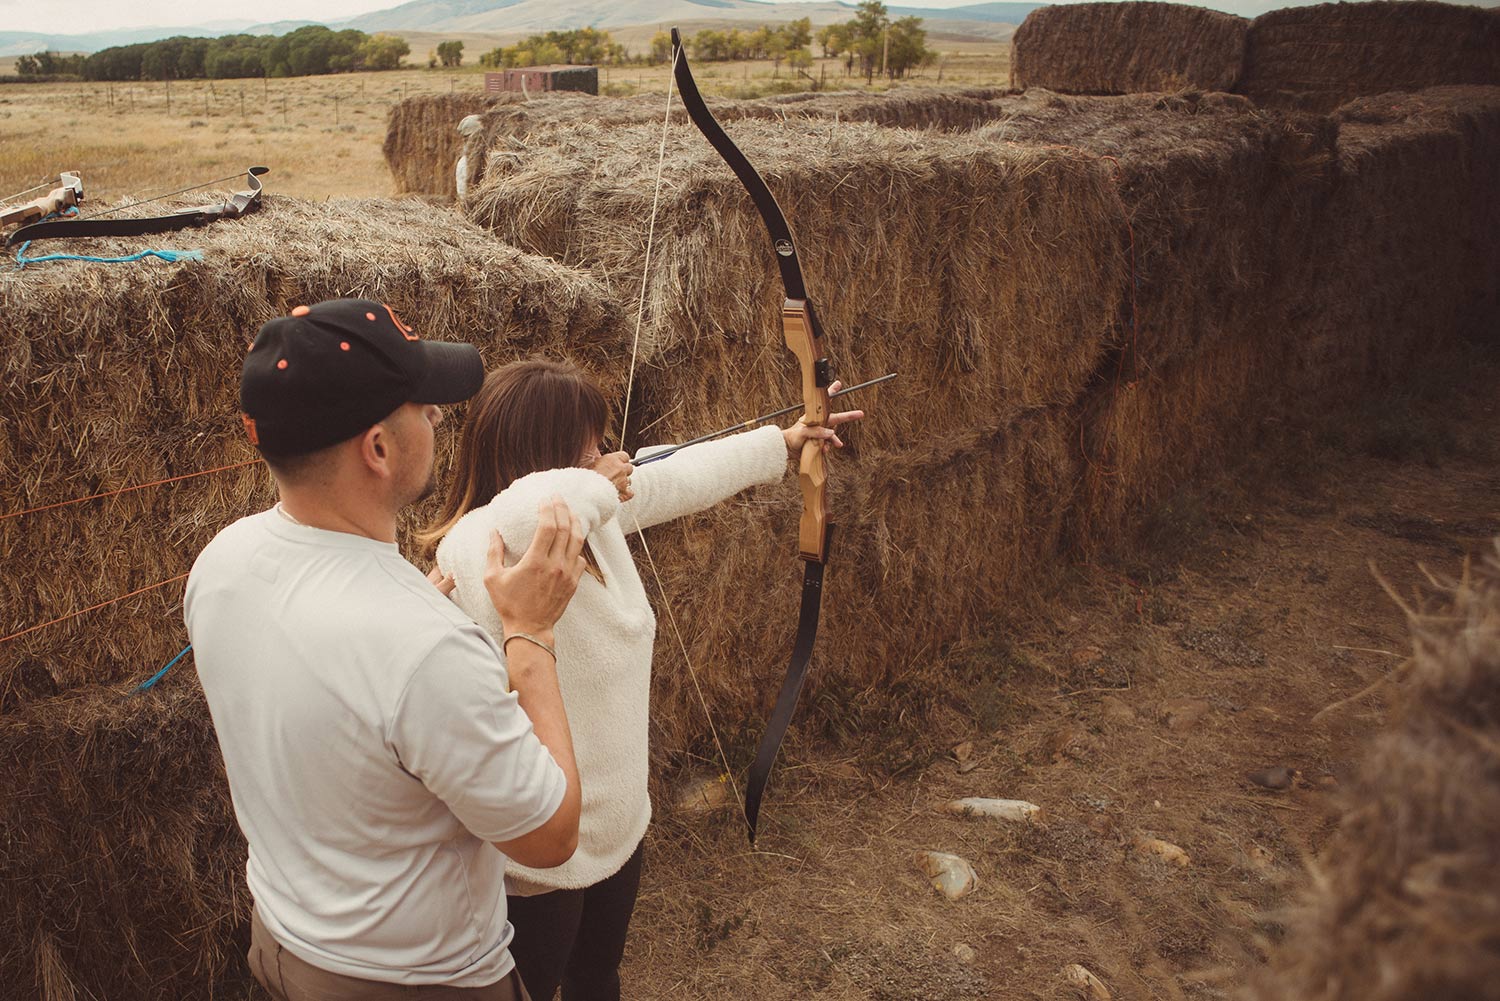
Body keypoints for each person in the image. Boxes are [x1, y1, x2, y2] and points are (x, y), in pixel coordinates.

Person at [420, 359, 864, 1001]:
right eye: (591, 443)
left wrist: (785, 443)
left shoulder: (589, 523)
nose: (609, 455)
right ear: (548, 456)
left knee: (598, 981)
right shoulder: (482, 544)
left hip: (618, 824)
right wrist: (590, 481)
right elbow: (519, 514)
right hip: (536, 856)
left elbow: (676, 474)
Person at [186, 299, 588, 1000]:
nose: (437, 416)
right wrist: (531, 633)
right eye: (423, 405)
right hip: (419, 981)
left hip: (281, 945)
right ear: (377, 447)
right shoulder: (422, 646)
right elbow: (550, 835)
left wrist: (410, 642)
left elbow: (334, 693)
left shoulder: (221, 561)